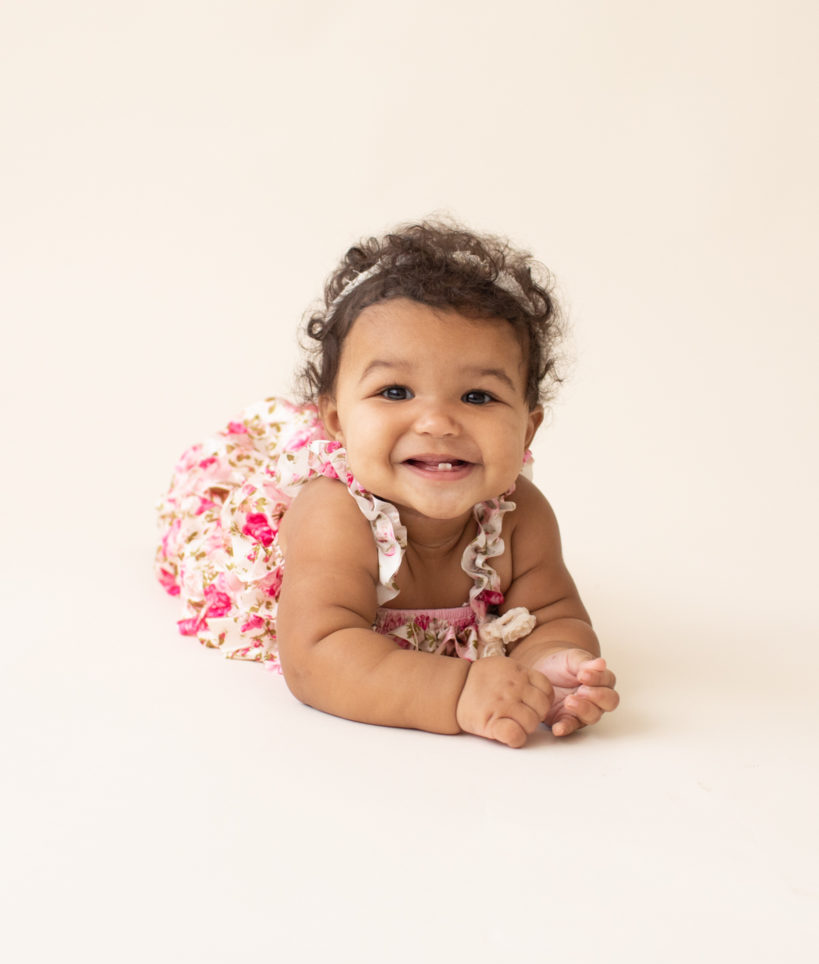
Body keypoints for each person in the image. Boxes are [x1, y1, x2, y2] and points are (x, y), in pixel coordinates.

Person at [156, 220, 619, 748]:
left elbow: (553, 614)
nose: (438, 423)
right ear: (336, 423)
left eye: (477, 397)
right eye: (396, 391)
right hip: (242, 530)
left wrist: (554, 665)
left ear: (527, 429)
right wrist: (457, 692)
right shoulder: (334, 514)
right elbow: (317, 657)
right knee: (210, 503)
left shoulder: (520, 516)